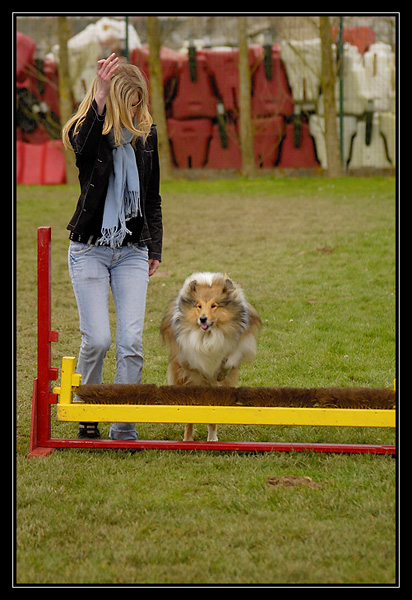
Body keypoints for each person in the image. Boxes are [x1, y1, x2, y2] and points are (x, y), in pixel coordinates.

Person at [62, 54, 163, 440]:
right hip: (90, 248)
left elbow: (152, 197)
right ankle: (89, 410)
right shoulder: (88, 131)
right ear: (116, 99)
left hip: (132, 251)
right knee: (99, 340)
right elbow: (83, 150)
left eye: (141, 101)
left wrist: (154, 248)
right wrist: (100, 94)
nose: (138, 109)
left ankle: (123, 425)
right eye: (131, 102)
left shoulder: (146, 134)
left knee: (132, 341)